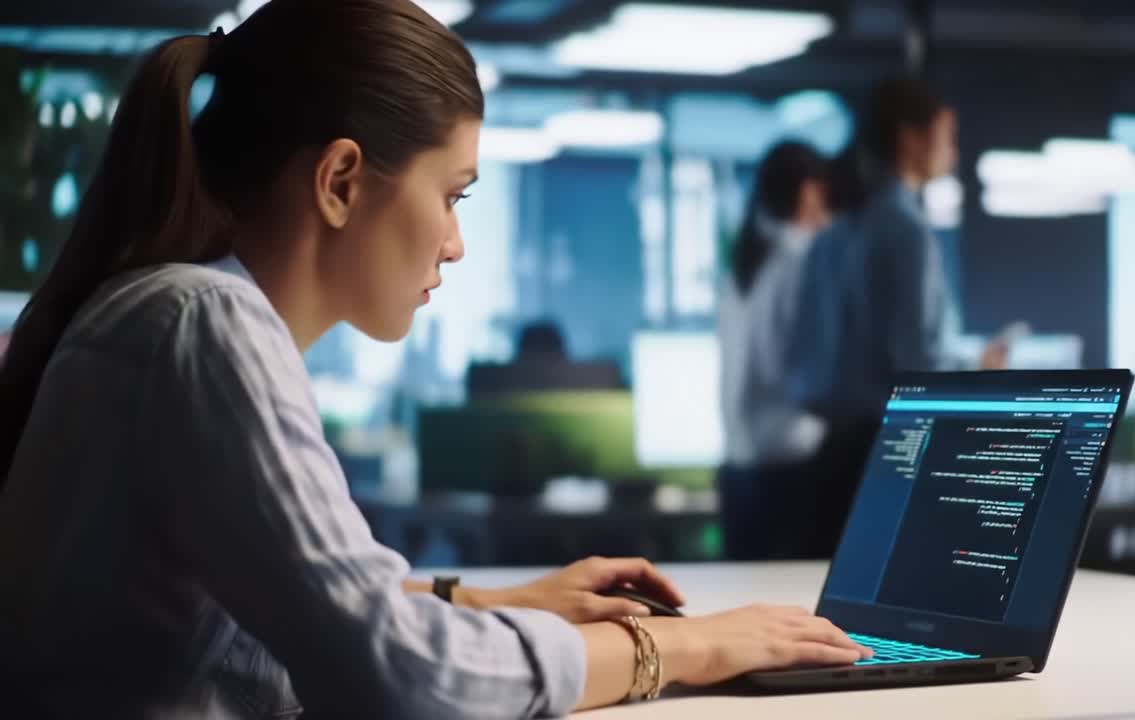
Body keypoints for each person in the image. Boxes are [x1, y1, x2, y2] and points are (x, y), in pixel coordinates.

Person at [0, 1, 872, 717]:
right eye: (452, 196)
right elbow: (401, 679)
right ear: (340, 182)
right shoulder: (205, 325)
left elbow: (289, 614)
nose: (455, 245)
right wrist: (684, 644)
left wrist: (493, 606)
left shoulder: (169, 311)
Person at [786, 75, 1008, 558]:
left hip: (828, 458)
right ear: (912, 136)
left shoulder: (837, 230)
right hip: (886, 454)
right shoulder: (904, 228)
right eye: (948, 135)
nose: (953, 151)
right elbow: (916, 365)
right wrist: (977, 368)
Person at [717, 140, 832, 560]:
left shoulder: (745, 263)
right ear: (809, 192)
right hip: (790, 466)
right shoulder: (803, 260)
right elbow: (800, 371)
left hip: (740, 466)